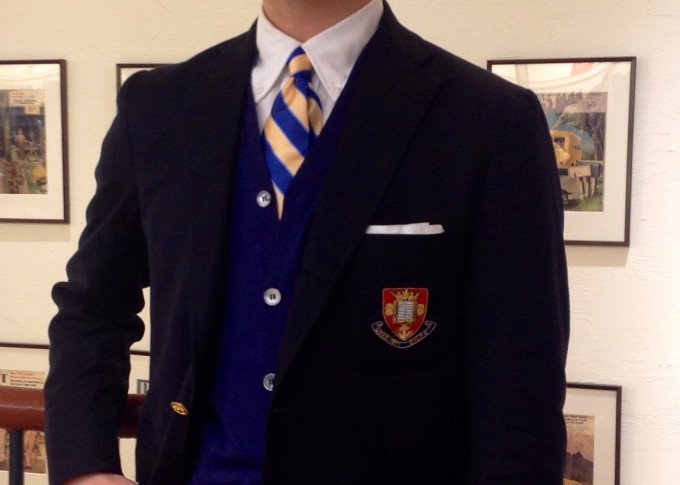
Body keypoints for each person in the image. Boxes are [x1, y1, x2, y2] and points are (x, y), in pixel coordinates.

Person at [44, 1, 570, 484]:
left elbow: (521, 377)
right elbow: (94, 305)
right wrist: (85, 466)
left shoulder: (490, 120)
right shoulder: (158, 106)